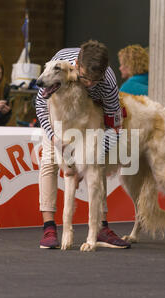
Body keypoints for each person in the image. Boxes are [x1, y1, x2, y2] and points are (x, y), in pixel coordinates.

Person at [35, 40, 130, 249]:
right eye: (86, 78)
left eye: (95, 80)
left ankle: (101, 227)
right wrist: (54, 139)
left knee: (96, 167)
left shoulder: (107, 81)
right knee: (50, 160)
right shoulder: (58, 65)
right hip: (58, 120)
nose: (89, 84)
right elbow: (41, 106)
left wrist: (94, 155)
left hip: (89, 118)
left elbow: (115, 124)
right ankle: (49, 227)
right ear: (77, 65)